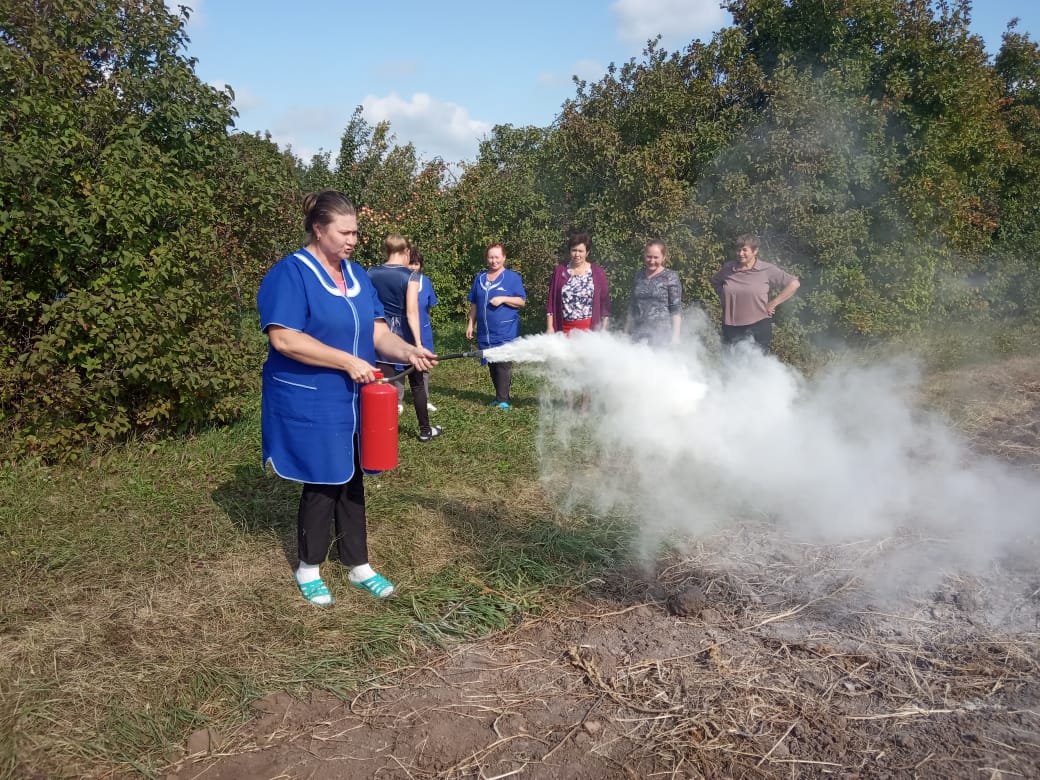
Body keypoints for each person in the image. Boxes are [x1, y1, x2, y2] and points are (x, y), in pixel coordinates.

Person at [256, 191, 436, 607]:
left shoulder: (356, 276)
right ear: (318, 230)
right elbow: (284, 339)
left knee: (353, 475)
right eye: (344, 232)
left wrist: (408, 350)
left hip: (356, 398)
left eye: (355, 232)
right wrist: (346, 361)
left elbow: (378, 332)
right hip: (313, 398)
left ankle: (358, 564)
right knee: (322, 480)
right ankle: (309, 568)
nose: (353, 240)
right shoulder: (291, 273)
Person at [368, 234, 441, 441]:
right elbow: (412, 312)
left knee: (384, 386)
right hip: (405, 337)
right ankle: (425, 431)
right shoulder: (411, 276)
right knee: (417, 386)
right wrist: (418, 344)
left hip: (379, 338)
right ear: (407, 252)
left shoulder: (370, 272)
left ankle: (381, 434)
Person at [711, 234, 800, 353]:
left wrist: (773, 303)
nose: (740, 253)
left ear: (755, 251)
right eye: (738, 250)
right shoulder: (728, 268)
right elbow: (715, 282)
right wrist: (725, 297)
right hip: (730, 327)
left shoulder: (766, 269)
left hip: (758, 326)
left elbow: (794, 284)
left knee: (757, 362)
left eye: (744, 250)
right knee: (730, 362)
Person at [466, 242, 527, 409]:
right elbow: (474, 303)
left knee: (503, 363)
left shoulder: (512, 278)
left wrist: (503, 299)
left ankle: (503, 399)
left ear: (504, 257)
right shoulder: (479, 278)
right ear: (487, 258)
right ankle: (500, 396)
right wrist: (471, 323)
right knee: (492, 362)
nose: (494, 261)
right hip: (485, 332)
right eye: (491, 257)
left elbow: (521, 301)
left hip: (505, 330)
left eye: (497, 257)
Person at [546, 232, 612, 335]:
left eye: (580, 251)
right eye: (574, 250)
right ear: (570, 251)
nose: (577, 254)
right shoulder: (560, 271)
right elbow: (551, 302)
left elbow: (605, 305)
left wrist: (603, 330)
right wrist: (550, 327)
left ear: (587, 252)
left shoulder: (598, 272)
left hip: (590, 331)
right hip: (564, 330)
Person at [626, 240, 682, 346]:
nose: (652, 261)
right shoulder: (638, 275)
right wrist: (626, 333)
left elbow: (675, 310)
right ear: (644, 256)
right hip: (637, 335)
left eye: (656, 257)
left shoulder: (671, 276)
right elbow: (632, 308)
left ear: (663, 257)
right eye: (649, 257)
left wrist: (675, 338)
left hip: (661, 338)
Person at [409, 247, 439, 412]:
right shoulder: (401, 281)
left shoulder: (425, 282)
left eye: (416, 264)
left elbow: (429, 305)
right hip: (405, 331)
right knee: (400, 365)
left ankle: (425, 398)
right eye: (410, 263)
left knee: (424, 364)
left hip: (424, 331)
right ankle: (397, 401)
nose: (413, 267)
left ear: (420, 265)